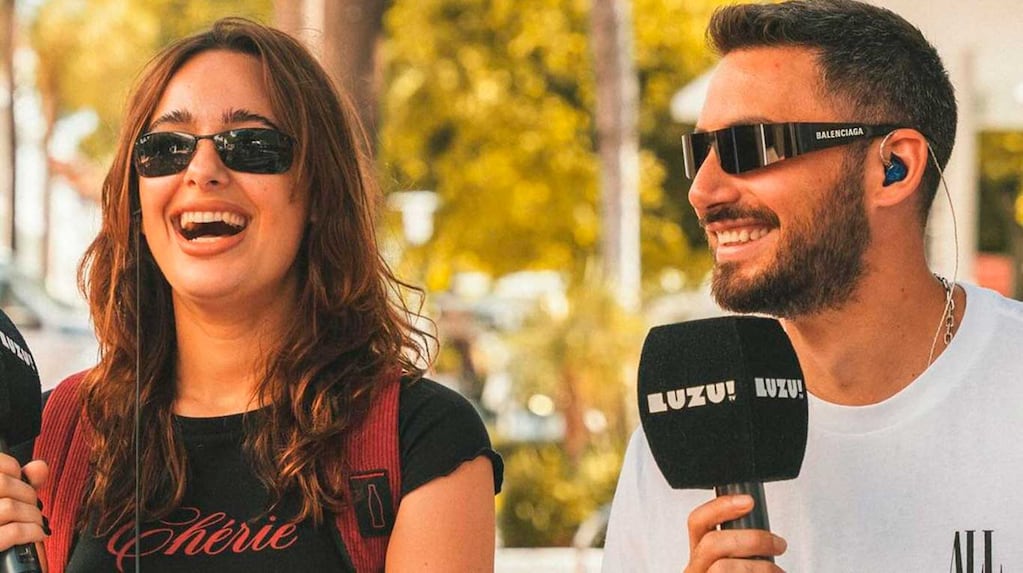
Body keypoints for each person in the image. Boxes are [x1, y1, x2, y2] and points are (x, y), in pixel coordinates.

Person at [0, 18, 502, 572]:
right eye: (167, 148)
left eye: (251, 144)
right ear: (136, 200)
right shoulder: (56, 438)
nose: (202, 170)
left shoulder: (421, 441)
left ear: (319, 190)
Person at [603, 0, 1023, 571]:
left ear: (894, 167)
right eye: (699, 152)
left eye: (750, 146)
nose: (701, 190)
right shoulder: (686, 424)